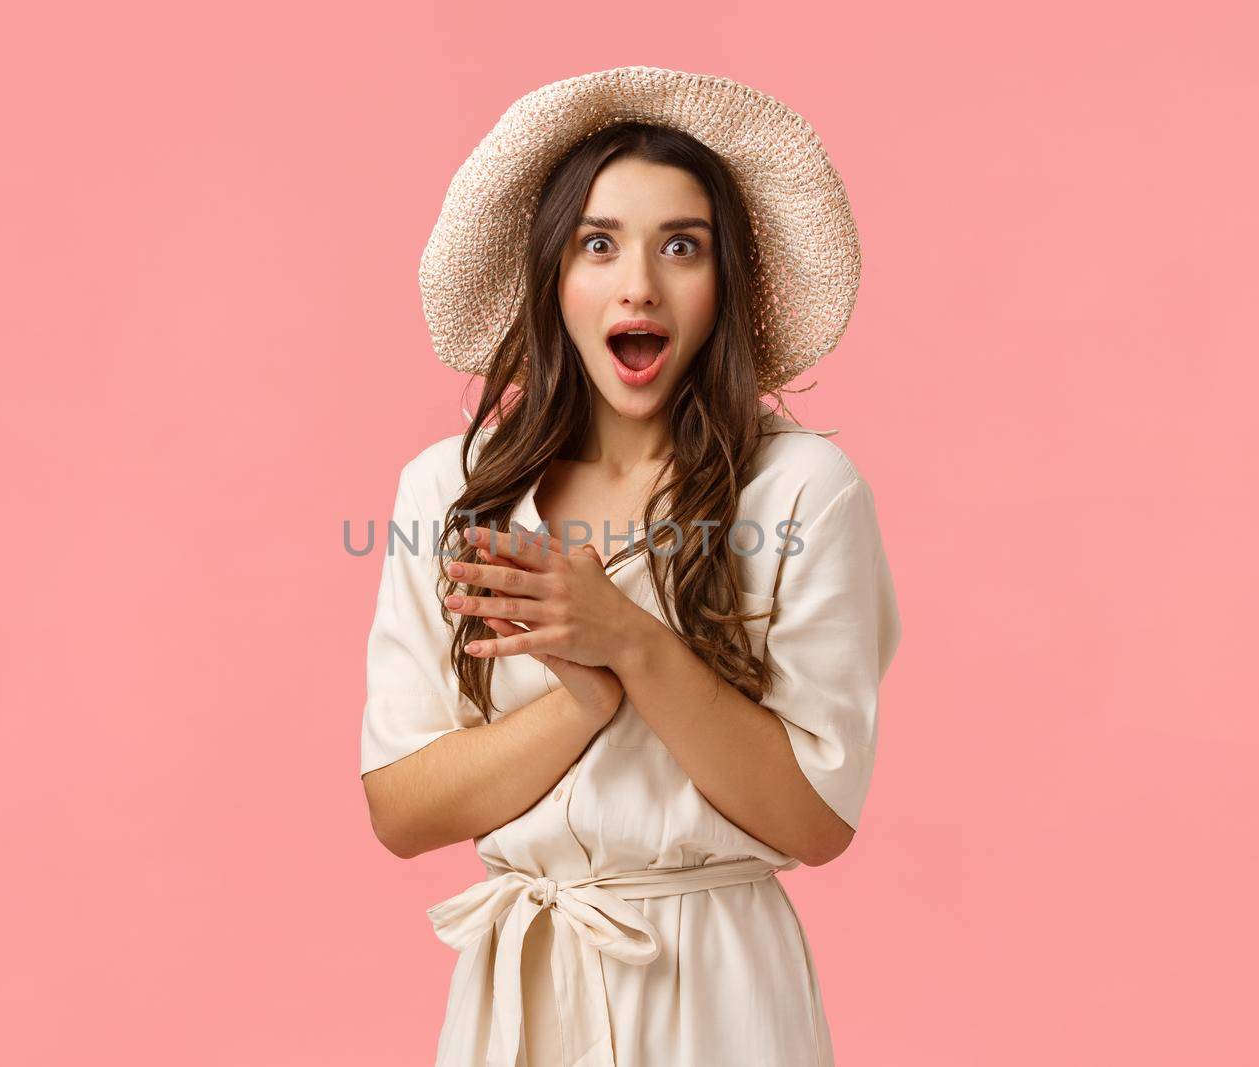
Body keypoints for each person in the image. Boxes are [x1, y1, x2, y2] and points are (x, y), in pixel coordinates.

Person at [359, 66, 903, 1067]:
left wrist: (628, 642)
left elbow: (814, 820)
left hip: (721, 994)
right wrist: (581, 701)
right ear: (552, 276)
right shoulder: (449, 489)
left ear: (724, 281)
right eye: (597, 243)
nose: (639, 283)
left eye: (681, 246)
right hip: (520, 992)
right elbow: (402, 807)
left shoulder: (802, 493)